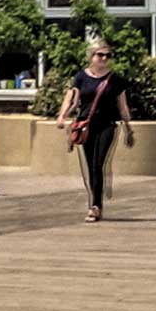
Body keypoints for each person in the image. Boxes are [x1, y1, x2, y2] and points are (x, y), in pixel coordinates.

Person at [57, 36, 131, 223]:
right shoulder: (81, 77)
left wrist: (128, 127)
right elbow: (71, 99)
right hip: (86, 126)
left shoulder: (115, 80)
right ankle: (94, 203)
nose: (104, 59)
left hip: (107, 125)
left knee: (99, 163)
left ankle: (96, 206)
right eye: (100, 55)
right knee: (90, 166)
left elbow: (122, 105)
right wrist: (62, 115)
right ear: (91, 56)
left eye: (108, 55)